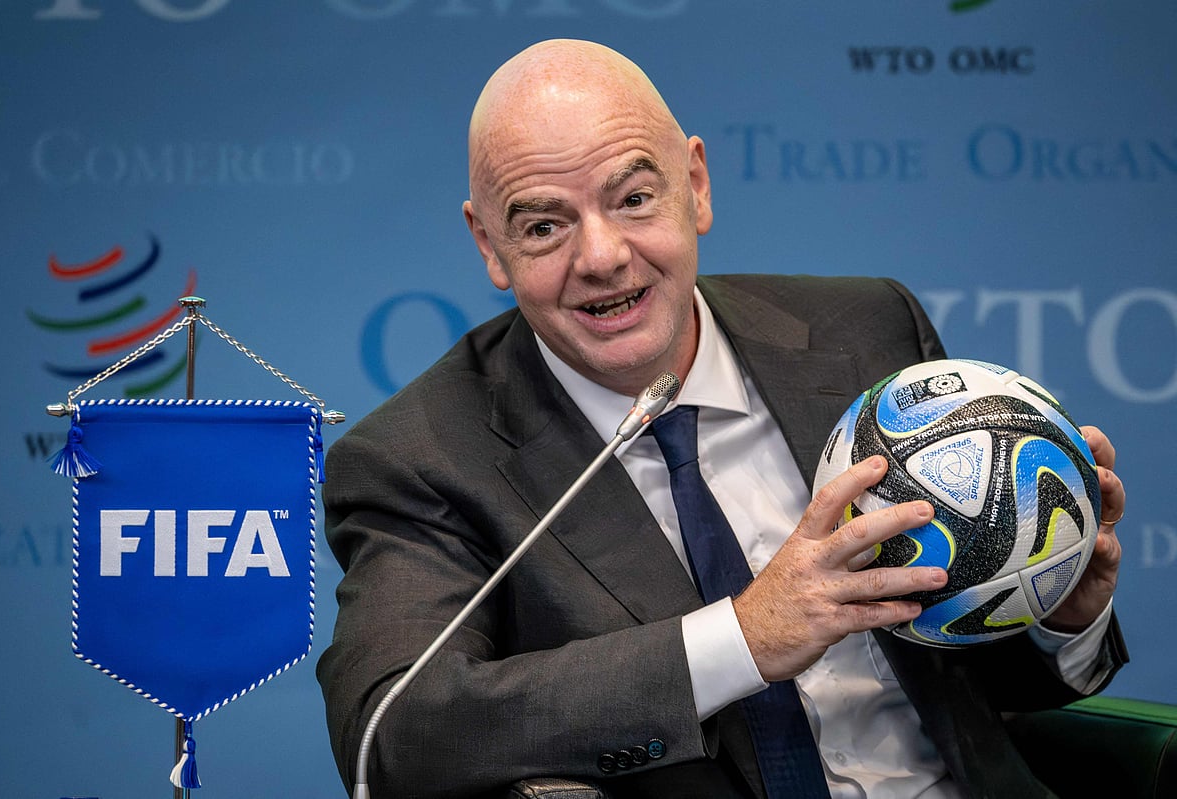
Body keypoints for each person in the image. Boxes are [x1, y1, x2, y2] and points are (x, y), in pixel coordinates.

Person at [318, 39, 1127, 798]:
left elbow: (976, 682)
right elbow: (393, 737)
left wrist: (1058, 607)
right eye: (543, 225)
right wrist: (742, 638)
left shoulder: (867, 331)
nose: (601, 256)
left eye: (634, 197)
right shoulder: (420, 456)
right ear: (489, 244)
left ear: (695, 186)